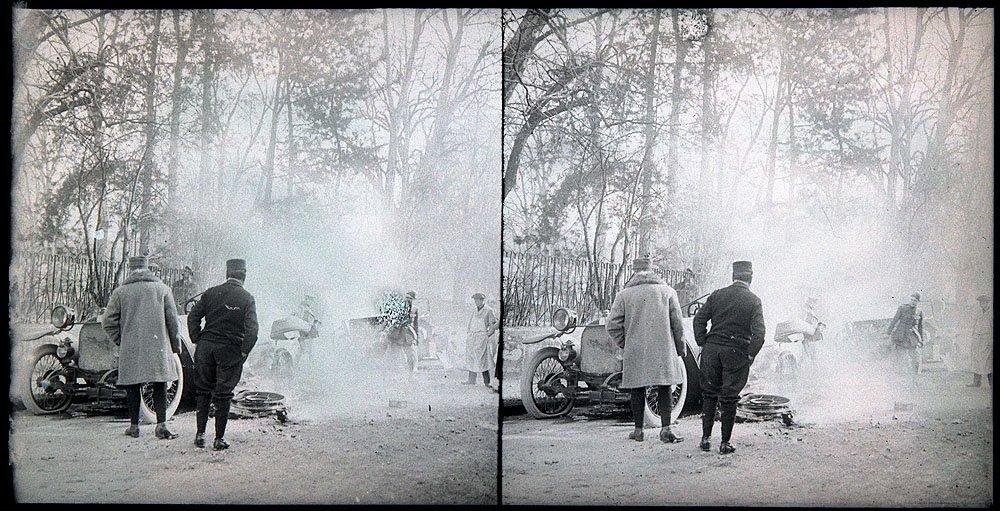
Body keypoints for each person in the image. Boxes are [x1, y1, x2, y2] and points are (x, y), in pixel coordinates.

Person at [606, 256, 686, 444]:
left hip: (636, 349)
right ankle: (666, 429)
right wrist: (680, 348)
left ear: (634, 272)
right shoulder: (667, 292)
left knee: (637, 388)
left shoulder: (624, 294)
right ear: (652, 271)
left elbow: (611, 325)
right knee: (665, 386)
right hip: (663, 349)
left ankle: (638, 430)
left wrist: (626, 343)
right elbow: (678, 325)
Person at [101, 255, 182, 440]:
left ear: (131, 270)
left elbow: (107, 322)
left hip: (132, 346)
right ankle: (161, 426)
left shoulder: (120, 292)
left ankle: (134, 426)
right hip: (158, 346)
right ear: (148, 269)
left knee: (132, 385)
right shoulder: (162, 289)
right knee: (160, 384)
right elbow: (173, 323)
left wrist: (121, 340)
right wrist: (175, 347)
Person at [693, 260, 766, 455]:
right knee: (729, 398)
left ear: (733, 277)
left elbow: (699, 319)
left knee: (709, 394)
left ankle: (705, 439)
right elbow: (759, 334)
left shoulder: (717, 295)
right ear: (750, 278)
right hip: (736, 353)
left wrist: (703, 342)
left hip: (711, 351)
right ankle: (725, 443)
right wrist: (750, 354)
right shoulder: (753, 300)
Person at [187, 258, 258, 451]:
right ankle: (219, 439)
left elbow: (193, 316)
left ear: (227, 274)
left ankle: (200, 435)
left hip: (206, 347)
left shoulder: (211, 292)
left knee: (203, 391)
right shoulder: (247, 297)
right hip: (230, 350)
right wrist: (244, 351)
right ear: (244, 275)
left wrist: (197, 338)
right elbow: (252, 330)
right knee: (223, 394)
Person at [886, 292, 924, 383]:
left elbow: (920, 326)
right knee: (899, 356)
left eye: (915, 301)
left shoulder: (919, 312)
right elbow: (895, 320)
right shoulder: (902, 308)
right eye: (911, 300)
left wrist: (921, 339)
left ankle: (914, 376)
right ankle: (898, 377)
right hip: (901, 335)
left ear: (918, 302)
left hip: (911, 336)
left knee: (914, 356)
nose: (913, 302)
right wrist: (888, 332)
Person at [463, 293, 499, 389]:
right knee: (471, 357)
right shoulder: (474, 310)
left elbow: (493, 325)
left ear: (483, 300)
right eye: (475, 300)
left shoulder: (488, 310)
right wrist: (469, 334)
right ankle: (471, 380)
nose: (476, 302)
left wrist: (488, 335)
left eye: (478, 300)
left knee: (483, 359)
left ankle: (487, 382)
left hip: (482, 337)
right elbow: (470, 323)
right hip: (472, 336)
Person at [968, 294, 992, 389]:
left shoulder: (991, 313)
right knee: (976, 359)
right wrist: (973, 336)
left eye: (984, 303)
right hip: (977, 338)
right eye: (980, 303)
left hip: (987, 338)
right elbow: (974, 324)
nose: (982, 304)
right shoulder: (978, 312)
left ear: (987, 303)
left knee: (987, 361)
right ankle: (976, 382)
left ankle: (991, 383)